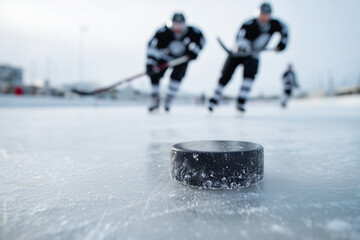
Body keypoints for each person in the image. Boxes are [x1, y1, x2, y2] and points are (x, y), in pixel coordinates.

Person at [208, 2, 288, 113]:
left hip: (254, 55)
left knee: (249, 76)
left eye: (267, 14)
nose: (264, 17)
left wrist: (282, 44)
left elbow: (285, 31)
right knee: (225, 75)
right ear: (258, 13)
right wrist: (243, 46)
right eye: (262, 14)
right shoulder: (248, 24)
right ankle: (213, 100)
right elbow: (239, 38)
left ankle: (240, 102)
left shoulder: (275, 24)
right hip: (237, 53)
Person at [146, 12, 205, 112]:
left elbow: (202, 41)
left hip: (182, 59)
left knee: (176, 78)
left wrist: (194, 51)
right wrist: (150, 63)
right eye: (175, 25)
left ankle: (169, 100)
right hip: (165, 57)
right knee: (154, 75)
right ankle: (155, 99)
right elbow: (152, 47)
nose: (177, 28)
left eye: (180, 25)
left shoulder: (193, 32)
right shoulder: (162, 32)